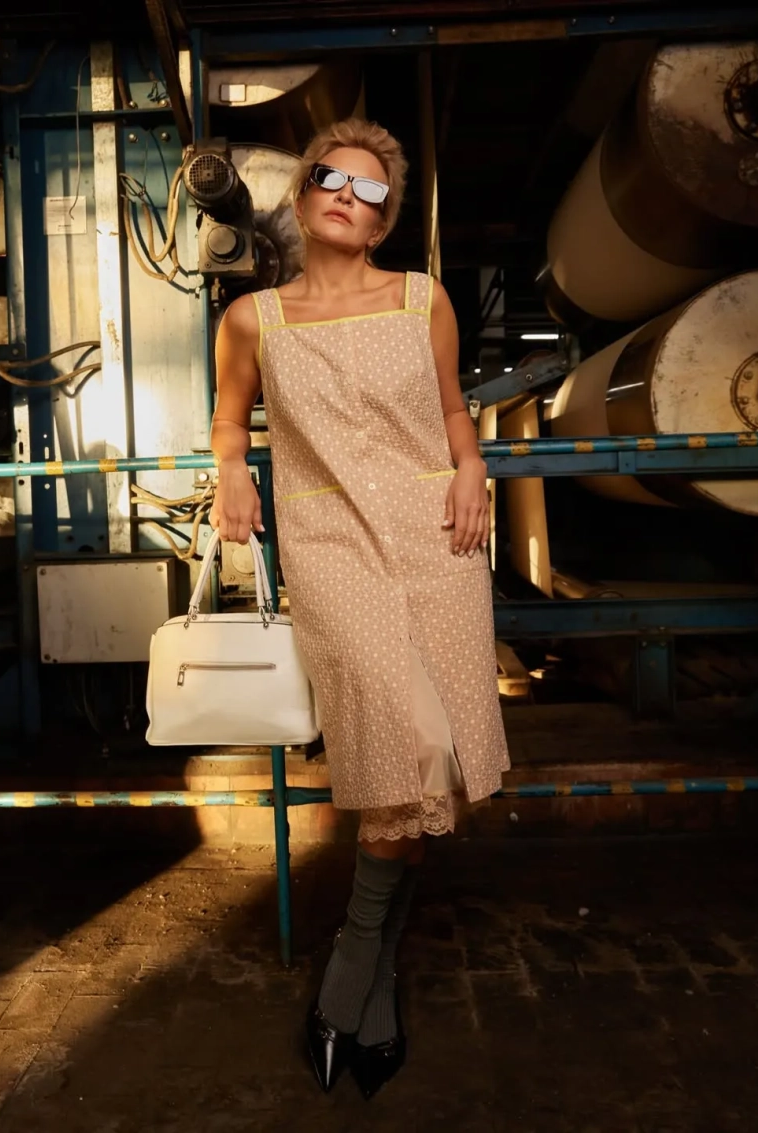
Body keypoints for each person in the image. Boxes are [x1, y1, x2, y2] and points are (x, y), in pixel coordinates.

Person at [210, 118, 510, 1098]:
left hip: (436, 537)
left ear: (382, 221)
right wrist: (230, 471)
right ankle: (355, 965)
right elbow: (229, 415)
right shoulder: (253, 319)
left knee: (427, 767)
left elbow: (453, 405)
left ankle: (366, 983)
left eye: (370, 189)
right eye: (331, 178)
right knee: (400, 741)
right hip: (332, 547)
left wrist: (472, 466)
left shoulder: (423, 298)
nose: (348, 193)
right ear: (302, 199)